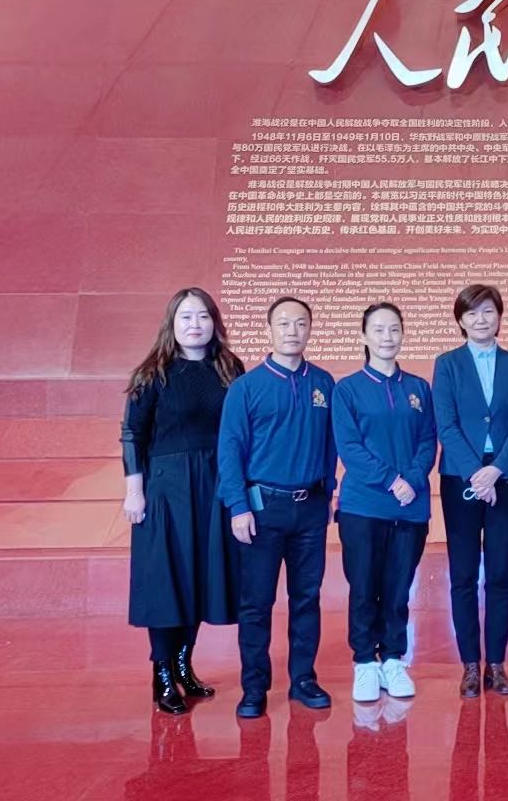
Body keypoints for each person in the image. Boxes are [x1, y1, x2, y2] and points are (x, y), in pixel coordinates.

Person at [121, 287, 244, 716]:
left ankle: (182, 664)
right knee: (166, 579)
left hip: (215, 485)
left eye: (203, 316)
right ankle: (161, 674)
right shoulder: (153, 372)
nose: (196, 324)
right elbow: (133, 434)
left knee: (199, 577)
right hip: (166, 488)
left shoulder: (229, 369)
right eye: (186, 317)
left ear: (215, 322)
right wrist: (134, 490)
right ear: (171, 324)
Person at [216, 295, 337, 719]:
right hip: (261, 510)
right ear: (269, 330)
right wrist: (238, 506)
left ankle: (303, 679)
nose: (292, 331)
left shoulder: (323, 383)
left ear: (310, 329)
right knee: (256, 603)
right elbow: (229, 451)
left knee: (306, 598)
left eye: (301, 323)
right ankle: (254, 687)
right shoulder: (246, 388)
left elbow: (331, 446)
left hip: (310, 510)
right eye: (284, 323)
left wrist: (329, 492)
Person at [333, 302, 437, 703]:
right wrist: (392, 480)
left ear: (403, 333)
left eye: (394, 329)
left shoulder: (418, 388)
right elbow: (350, 447)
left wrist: (412, 480)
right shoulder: (347, 389)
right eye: (378, 330)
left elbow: (428, 440)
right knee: (364, 587)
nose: (387, 337)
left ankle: (393, 658)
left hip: (411, 506)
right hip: (364, 506)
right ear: (364, 336)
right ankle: (365, 662)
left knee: (398, 588)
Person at [431, 284, 508, 698]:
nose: (480, 319)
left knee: (501, 573)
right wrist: (477, 474)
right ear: (460, 320)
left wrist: (496, 472)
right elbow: (446, 423)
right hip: (461, 477)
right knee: (463, 574)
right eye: (472, 313)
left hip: (507, 476)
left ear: (499, 316)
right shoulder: (447, 365)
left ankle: (497, 664)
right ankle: (470, 666)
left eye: (488, 311)